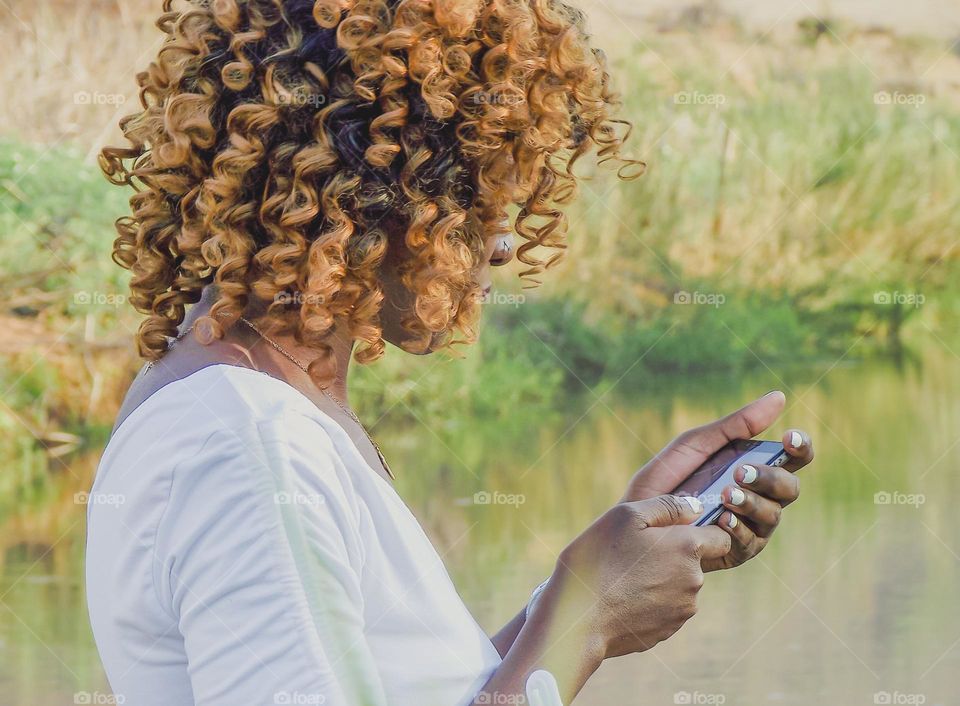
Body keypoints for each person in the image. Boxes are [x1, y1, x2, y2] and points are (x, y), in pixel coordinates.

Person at [86, 1, 814, 705]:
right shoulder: (252, 449)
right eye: (476, 192)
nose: (502, 239)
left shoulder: (258, 404)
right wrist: (584, 624)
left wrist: (601, 576)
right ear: (361, 190)